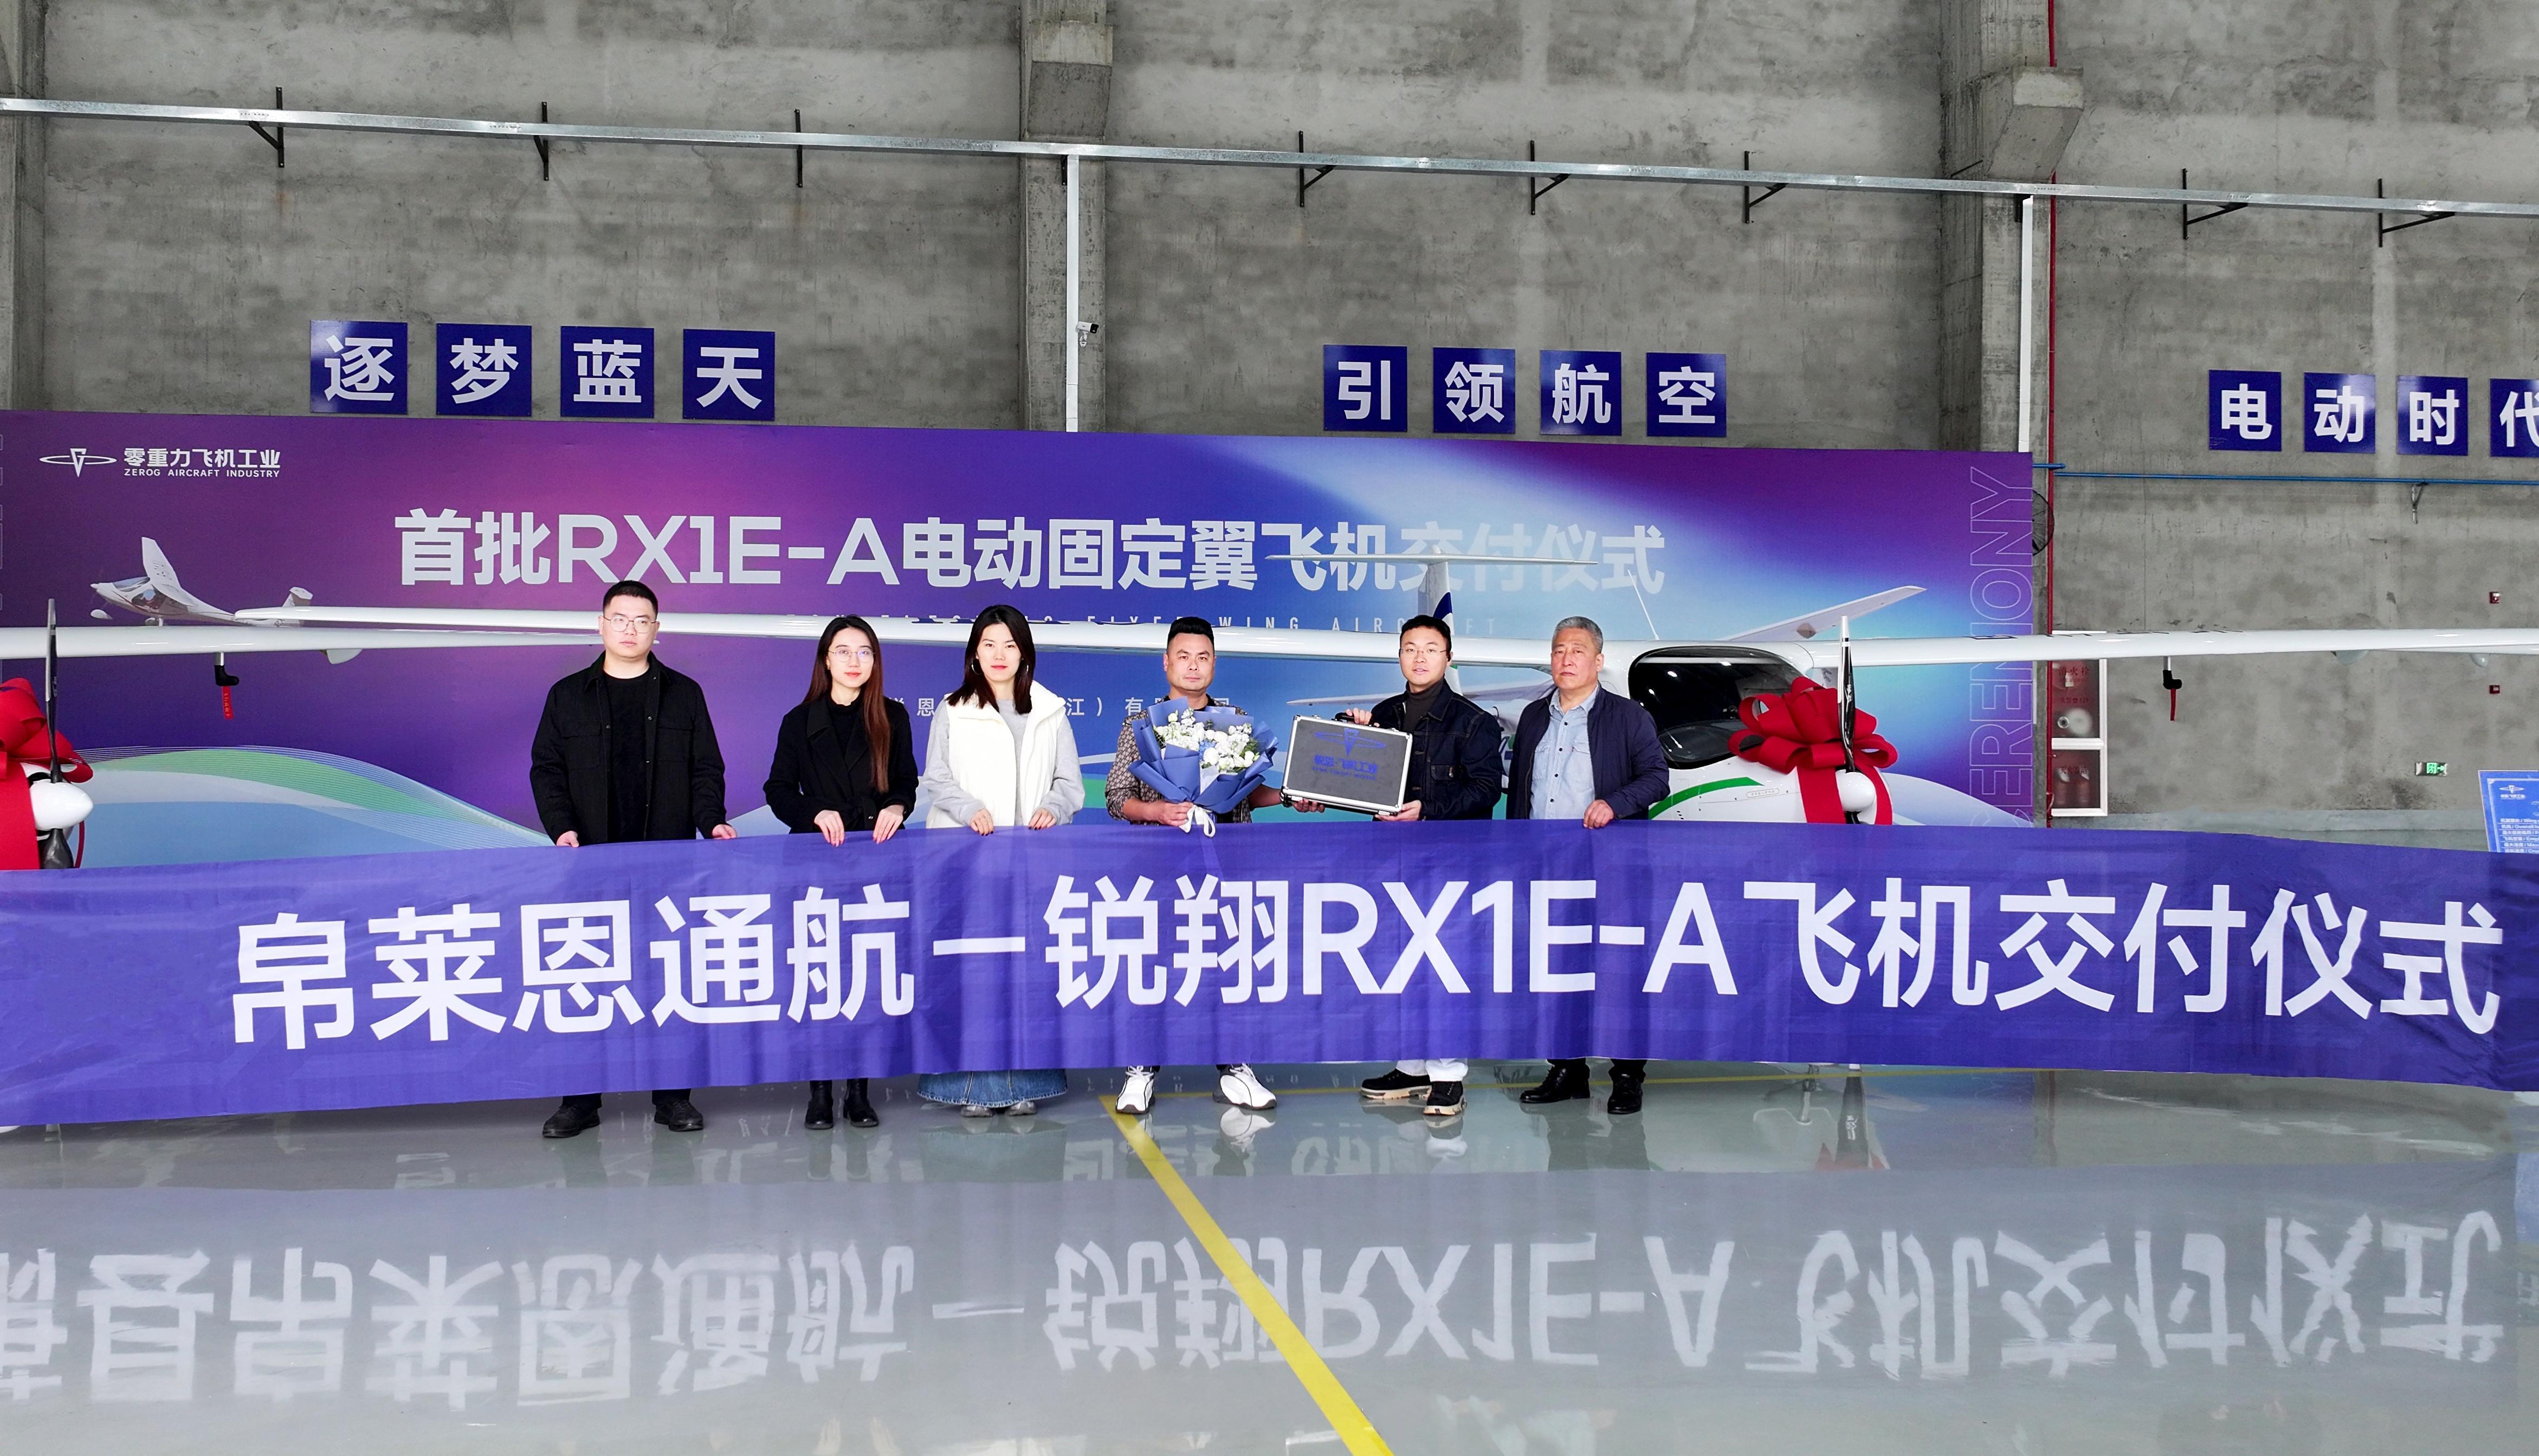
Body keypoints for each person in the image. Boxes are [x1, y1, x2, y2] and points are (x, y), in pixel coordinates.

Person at [528, 579, 736, 1139]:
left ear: (656, 629)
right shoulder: (567, 695)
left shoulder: (684, 694)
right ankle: (580, 1100)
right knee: (586, 977)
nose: (629, 629)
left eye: (641, 620)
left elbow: (705, 767)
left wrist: (711, 820)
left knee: (665, 976)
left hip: (665, 864)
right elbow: (546, 769)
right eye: (619, 618)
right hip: (588, 863)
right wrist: (562, 828)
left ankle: (672, 1097)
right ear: (600, 624)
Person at [1303, 615, 1504, 1118]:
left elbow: (1486, 790)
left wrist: (1427, 810)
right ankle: (1412, 1066)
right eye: (1410, 648)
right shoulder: (1385, 713)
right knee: (1400, 962)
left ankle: (1448, 1075)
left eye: (1431, 648)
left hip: (1450, 864)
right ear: (1398, 656)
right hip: (1391, 861)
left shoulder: (1474, 721)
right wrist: (1346, 742)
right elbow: (1362, 782)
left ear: (1448, 658)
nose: (1420, 657)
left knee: (1444, 966)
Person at [1107, 616, 1284, 1117]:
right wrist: (1159, 811)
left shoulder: (1236, 719)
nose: (1193, 666)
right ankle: (1141, 1069)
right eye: (1183, 657)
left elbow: (1248, 792)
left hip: (1227, 866)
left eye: (1202, 657)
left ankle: (1235, 1067)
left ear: (1214, 663)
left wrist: (1292, 797)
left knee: (1230, 964)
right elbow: (1117, 797)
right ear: (1166, 663)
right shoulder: (1142, 724)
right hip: (1158, 869)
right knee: (1154, 965)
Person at [916, 604, 1081, 1117]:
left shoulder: (1050, 711)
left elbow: (1069, 783)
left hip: (1030, 863)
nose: (999, 654)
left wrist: (1053, 808)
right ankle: (968, 1089)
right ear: (974, 652)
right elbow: (936, 777)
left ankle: (1024, 1084)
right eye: (989, 644)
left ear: (1024, 653)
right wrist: (969, 809)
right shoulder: (953, 709)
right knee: (972, 972)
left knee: (1027, 973)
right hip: (965, 859)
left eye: (1009, 645)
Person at [1507, 615, 1669, 1116]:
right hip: (1546, 867)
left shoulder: (1628, 716)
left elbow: (1657, 778)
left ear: (1598, 661)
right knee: (1557, 969)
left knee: (1618, 971)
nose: (1566, 659)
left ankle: (1627, 1075)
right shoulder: (1533, 716)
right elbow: (1519, 792)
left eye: (1577, 650)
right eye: (1558, 650)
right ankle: (1567, 1068)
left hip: (1610, 867)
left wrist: (1615, 804)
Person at [764, 614, 918, 1132]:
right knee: (819, 975)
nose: (855, 661)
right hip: (815, 863)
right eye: (844, 651)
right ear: (826, 660)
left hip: (876, 859)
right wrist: (813, 812)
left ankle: (858, 1092)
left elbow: (905, 780)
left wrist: (896, 805)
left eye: (865, 652)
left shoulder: (892, 716)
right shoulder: (797, 720)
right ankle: (819, 1092)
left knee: (865, 977)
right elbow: (777, 790)